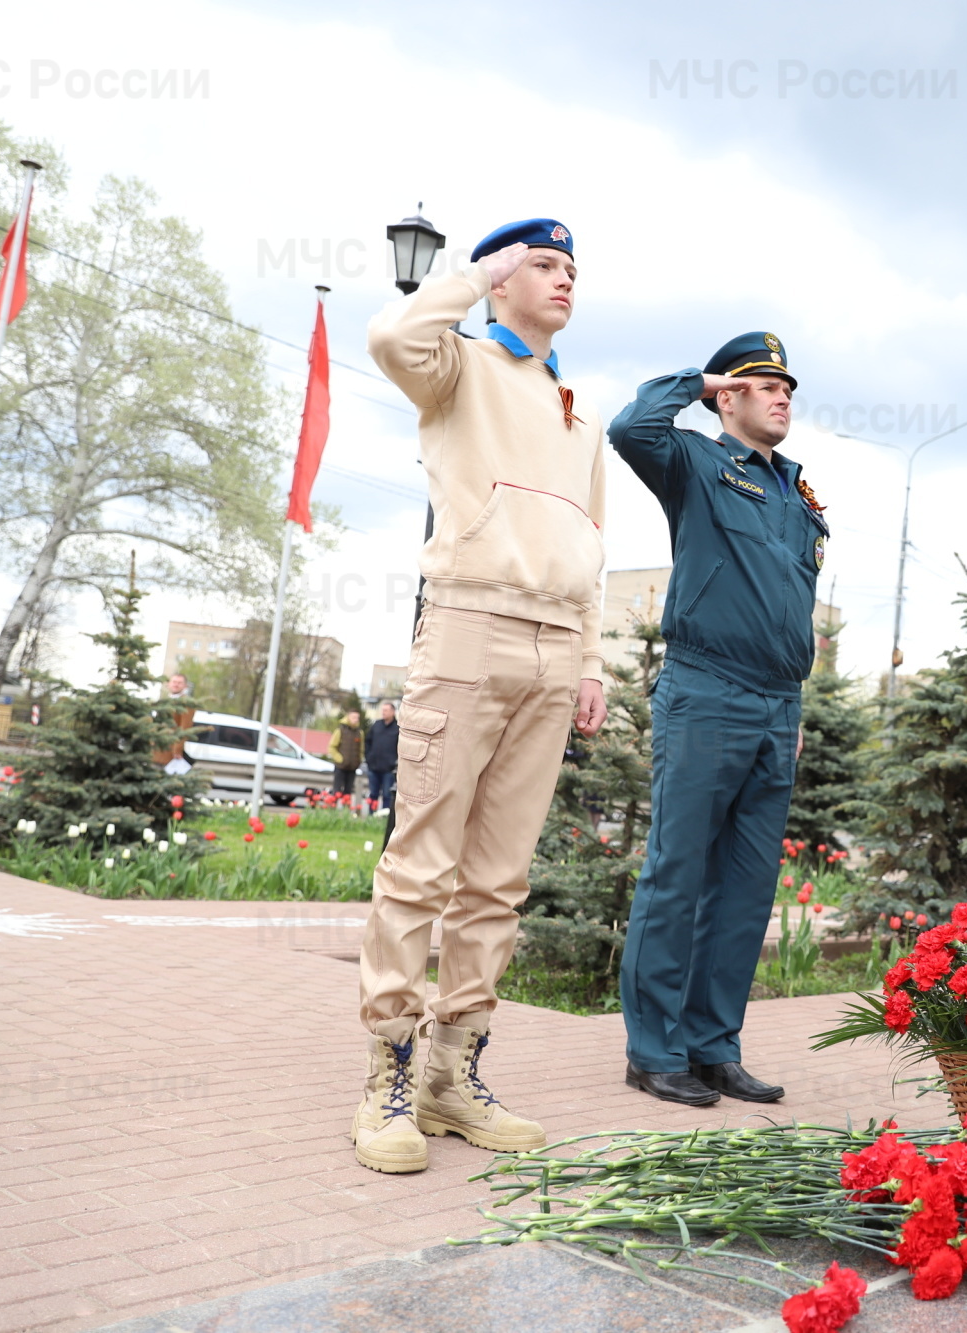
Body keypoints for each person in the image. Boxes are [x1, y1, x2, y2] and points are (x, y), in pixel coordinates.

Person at [351, 216, 610, 1174]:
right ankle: (385, 1073)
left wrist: (589, 659)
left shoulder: (579, 408)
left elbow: (591, 544)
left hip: (551, 647)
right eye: (543, 264)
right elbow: (390, 339)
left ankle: (451, 1076)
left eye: (571, 269)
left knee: (498, 880)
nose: (562, 280)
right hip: (467, 625)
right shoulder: (456, 366)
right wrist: (470, 274)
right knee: (422, 866)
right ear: (502, 278)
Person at [607, 332, 823, 1107]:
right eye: (763, 385)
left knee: (744, 886)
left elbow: (791, 607)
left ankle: (711, 1044)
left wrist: (794, 702)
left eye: (786, 387)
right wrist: (700, 383)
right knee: (678, 871)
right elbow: (631, 428)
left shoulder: (799, 497)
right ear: (728, 397)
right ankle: (654, 1048)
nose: (782, 396)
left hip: (777, 706)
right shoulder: (696, 463)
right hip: (706, 691)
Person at [364, 701, 400, 811]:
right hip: (373, 767)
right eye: (382, 710)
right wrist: (368, 758)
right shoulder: (376, 725)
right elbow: (367, 742)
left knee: (387, 795)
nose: (383, 712)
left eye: (386, 710)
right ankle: (371, 818)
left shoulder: (397, 728)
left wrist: (393, 763)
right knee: (373, 794)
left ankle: (384, 818)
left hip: (388, 770)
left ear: (393, 712)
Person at [327, 709, 364, 800]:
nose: (356, 719)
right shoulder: (340, 730)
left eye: (357, 718)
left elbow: (361, 749)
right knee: (337, 790)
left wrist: (359, 760)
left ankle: (345, 812)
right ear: (348, 718)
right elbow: (332, 747)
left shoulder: (360, 733)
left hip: (352, 767)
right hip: (340, 766)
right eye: (354, 717)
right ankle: (333, 811)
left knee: (348, 792)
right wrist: (340, 759)